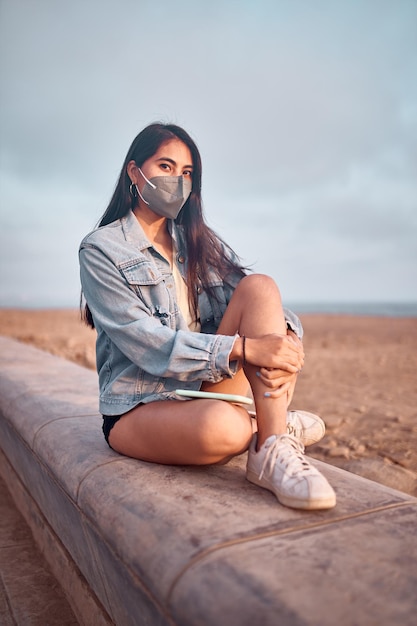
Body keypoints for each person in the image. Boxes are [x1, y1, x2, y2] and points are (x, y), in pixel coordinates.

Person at [79, 122, 336, 511]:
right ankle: (272, 425)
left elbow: (255, 306)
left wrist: (285, 336)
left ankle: (270, 448)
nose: (177, 181)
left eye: (187, 173)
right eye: (165, 167)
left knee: (261, 287)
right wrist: (247, 348)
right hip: (140, 406)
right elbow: (148, 343)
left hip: (201, 387)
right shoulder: (101, 248)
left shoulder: (194, 241)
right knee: (225, 429)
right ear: (135, 172)